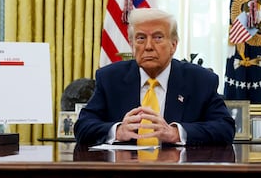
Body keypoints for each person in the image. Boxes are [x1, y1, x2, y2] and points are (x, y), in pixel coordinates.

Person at [74, 8, 236, 146]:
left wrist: (175, 133)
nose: (149, 46)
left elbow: (225, 128)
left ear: (173, 45)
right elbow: (83, 126)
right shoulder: (110, 78)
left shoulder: (200, 80)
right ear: (131, 44)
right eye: (141, 38)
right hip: (123, 174)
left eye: (158, 38)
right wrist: (117, 131)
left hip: (179, 175)